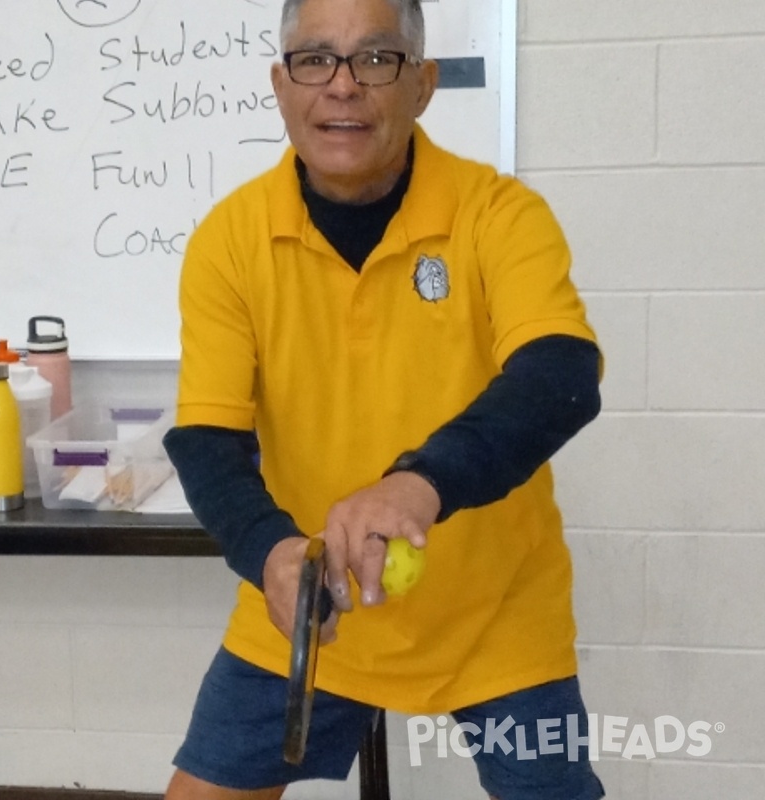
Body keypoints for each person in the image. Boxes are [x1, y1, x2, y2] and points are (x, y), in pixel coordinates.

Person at [162, 0, 606, 799]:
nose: (342, 86)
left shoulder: (499, 215)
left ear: (423, 84)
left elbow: (560, 375)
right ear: (279, 83)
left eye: (376, 59)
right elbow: (207, 439)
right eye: (313, 59)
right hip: (309, 609)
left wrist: (417, 484)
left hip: (498, 615)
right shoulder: (230, 240)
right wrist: (271, 554)